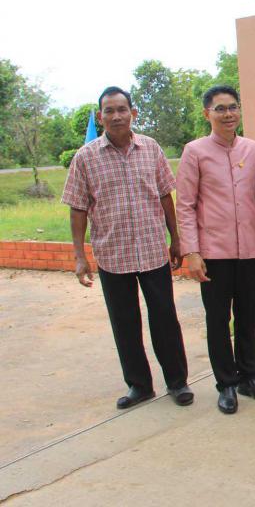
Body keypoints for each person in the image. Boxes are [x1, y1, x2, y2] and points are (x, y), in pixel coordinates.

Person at [62, 86, 192, 410]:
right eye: (109, 110)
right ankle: (139, 385)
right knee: (125, 323)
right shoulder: (85, 157)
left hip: (152, 251)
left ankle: (177, 382)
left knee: (165, 318)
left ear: (133, 113)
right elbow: (77, 209)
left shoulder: (151, 148)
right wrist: (79, 256)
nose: (116, 116)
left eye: (122, 109)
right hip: (112, 255)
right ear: (100, 116)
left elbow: (165, 195)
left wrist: (176, 239)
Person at [175, 85, 255, 414]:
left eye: (233, 107)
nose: (228, 114)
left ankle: (250, 377)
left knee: (247, 316)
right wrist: (192, 252)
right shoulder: (195, 152)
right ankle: (227, 384)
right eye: (220, 109)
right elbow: (185, 206)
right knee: (219, 320)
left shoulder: (253, 150)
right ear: (207, 113)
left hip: (248, 249)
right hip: (213, 253)